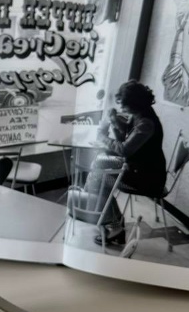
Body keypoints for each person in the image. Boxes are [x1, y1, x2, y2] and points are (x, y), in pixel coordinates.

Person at [68, 80, 167, 246]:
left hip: (147, 178)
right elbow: (123, 138)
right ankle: (99, 207)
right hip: (136, 167)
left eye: (124, 104)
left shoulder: (146, 124)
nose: (121, 107)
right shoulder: (140, 114)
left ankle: (112, 223)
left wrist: (102, 137)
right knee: (99, 162)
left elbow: (124, 149)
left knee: (100, 179)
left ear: (135, 104)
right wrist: (113, 121)